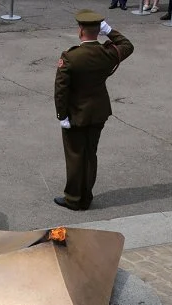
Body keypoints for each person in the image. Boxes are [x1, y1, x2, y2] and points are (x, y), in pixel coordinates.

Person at [53, 10, 134, 211]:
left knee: (75, 156)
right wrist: (109, 31)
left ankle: (73, 198)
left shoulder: (70, 57)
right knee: (90, 154)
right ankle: (86, 197)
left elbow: (60, 90)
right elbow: (127, 45)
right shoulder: (107, 53)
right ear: (99, 31)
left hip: (76, 114)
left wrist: (61, 115)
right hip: (98, 112)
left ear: (80, 30)